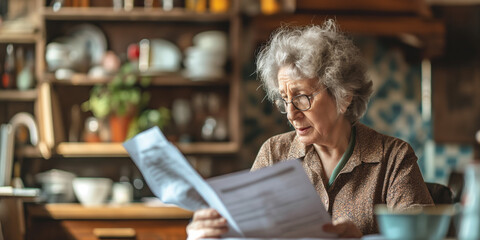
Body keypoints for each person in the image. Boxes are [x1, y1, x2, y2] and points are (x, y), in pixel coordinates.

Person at [186, 19, 434, 239]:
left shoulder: (392, 157)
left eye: (302, 97)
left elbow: (424, 236)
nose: (292, 114)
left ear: (343, 96)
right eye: (285, 100)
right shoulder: (275, 153)